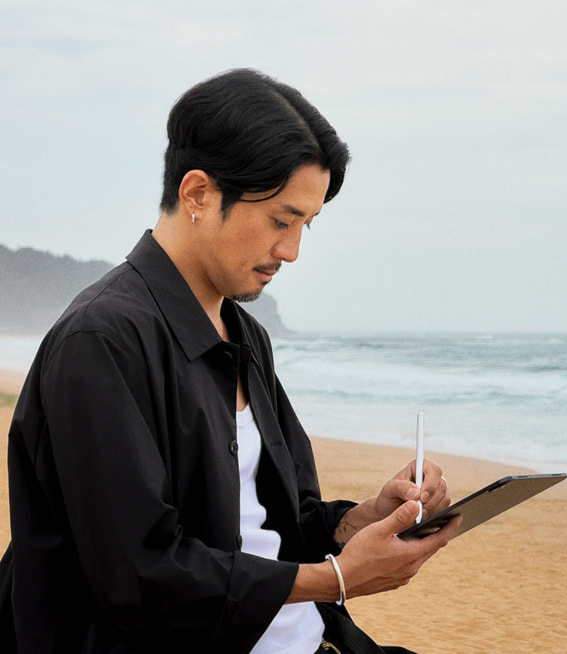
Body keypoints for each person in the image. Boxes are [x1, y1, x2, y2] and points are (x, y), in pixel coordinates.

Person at [1, 68, 460, 653]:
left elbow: (280, 523)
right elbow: (140, 576)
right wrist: (340, 578)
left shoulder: (244, 335)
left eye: (306, 225)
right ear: (198, 194)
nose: (291, 251)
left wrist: (366, 520)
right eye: (280, 220)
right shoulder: (101, 342)